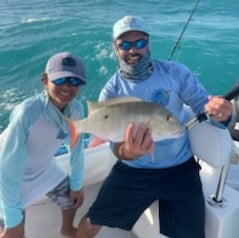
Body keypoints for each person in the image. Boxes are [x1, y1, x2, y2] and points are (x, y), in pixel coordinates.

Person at [76, 16, 233, 238]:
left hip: (180, 168)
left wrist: (224, 114)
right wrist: (127, 152)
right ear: (115, 48)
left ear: (148, 43)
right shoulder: (111, 91)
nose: (134, 50)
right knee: (91, 221)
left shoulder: (175, 73)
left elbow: (203, 106)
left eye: (140, 43)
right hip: (134, 170)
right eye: (125, 45)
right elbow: (115, 146)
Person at [0, 51, 87, 238]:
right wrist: (13, 220)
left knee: (72, 198)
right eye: (60, 79)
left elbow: (77, 149)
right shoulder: (28, 112)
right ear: (45, 81)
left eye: (74, 81)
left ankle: (67, 229)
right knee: (13, 230)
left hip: (44, 169)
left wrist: (77, 184)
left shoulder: (76, 110)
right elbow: (7, 169)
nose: (67, 87)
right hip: (8, 177)